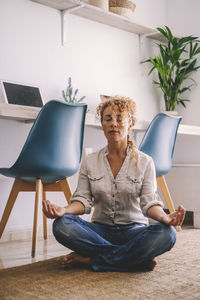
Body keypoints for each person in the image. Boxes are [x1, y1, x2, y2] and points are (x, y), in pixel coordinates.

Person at [42, 96, 186, 272]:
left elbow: (149, 203)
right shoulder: (90, 161)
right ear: (102, 124)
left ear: (130, 123)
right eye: (108, 119)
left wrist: (165, 218)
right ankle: (134, 259)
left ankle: (91, 261)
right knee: (61, 225)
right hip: (99, 231)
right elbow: (83, 201)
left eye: (119, 119)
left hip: (134, 231)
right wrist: (64, 210)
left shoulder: (145, 162)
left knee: (167, 234)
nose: (113, 124)